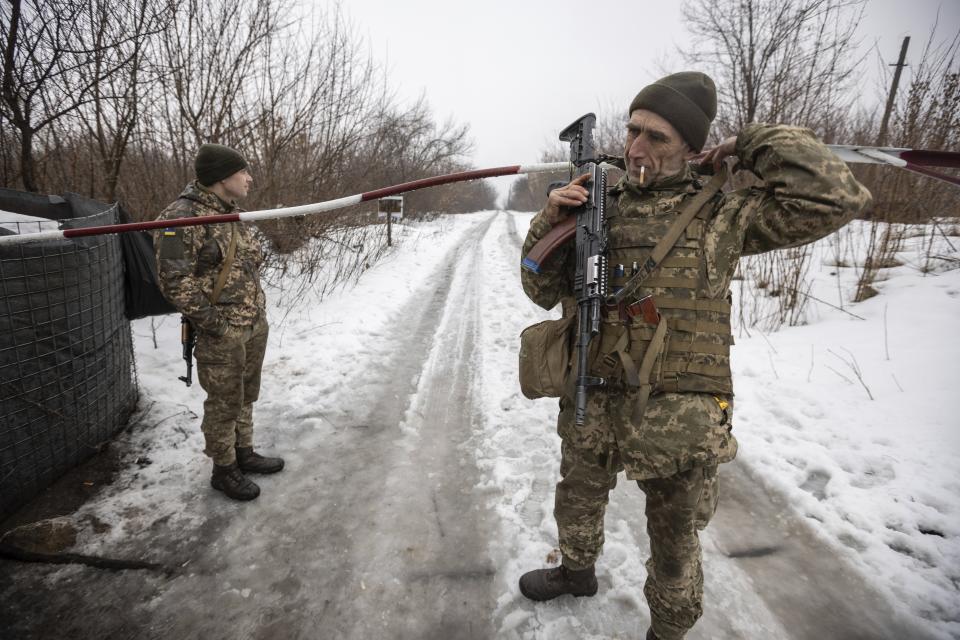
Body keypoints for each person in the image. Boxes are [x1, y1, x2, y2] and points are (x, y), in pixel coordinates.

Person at [518, 72, 872, 639]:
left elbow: (838, 196)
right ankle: (577, 572)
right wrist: (551, 220)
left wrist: (751, 143)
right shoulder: (597, 206)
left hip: (678, 416)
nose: (636, 148)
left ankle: (669, 630)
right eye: (633, 131)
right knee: (577, 494)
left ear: (691, 146)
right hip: (593, 387)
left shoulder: (723, 216)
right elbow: (538, 288)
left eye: (657, 137)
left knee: (675, 541)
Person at [153, 143, 283, 502]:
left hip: (253, 324)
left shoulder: (232, 214)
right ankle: (224, 469)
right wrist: (216, 325)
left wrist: (254, 314)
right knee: (224, 401)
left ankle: (245, 452)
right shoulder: (182, 217)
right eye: (244, 172)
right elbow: (174, 282)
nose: (249, 178)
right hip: (220, 332)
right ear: (224, 176)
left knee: (245, 395)